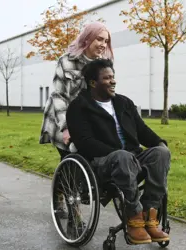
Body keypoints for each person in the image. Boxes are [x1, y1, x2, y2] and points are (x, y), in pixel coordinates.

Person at [66, 59, 171, 244]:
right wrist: (118, 153)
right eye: (107, 78)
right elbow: (85, 142)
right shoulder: (78, 107)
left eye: (113, 77)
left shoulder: (123, 103)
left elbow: (142, 130)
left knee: (161, 154)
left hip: (132, 156)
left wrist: (160, 143)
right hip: (101, 161)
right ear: (93, 83)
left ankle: (150, 217)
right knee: (122, 157)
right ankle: (134, 220)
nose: (113, 81)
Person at [39, 22, 114, 217]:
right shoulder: (66, 61)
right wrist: (66, 128)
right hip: (60, 118)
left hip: (85, 120)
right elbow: (58, 96)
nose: (103, 44)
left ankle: (85, 191)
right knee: (69, 159)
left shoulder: (103, 65)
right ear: (87, 38)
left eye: (106, 41)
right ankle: (72, 210)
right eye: (99, 39)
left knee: (90, 156)